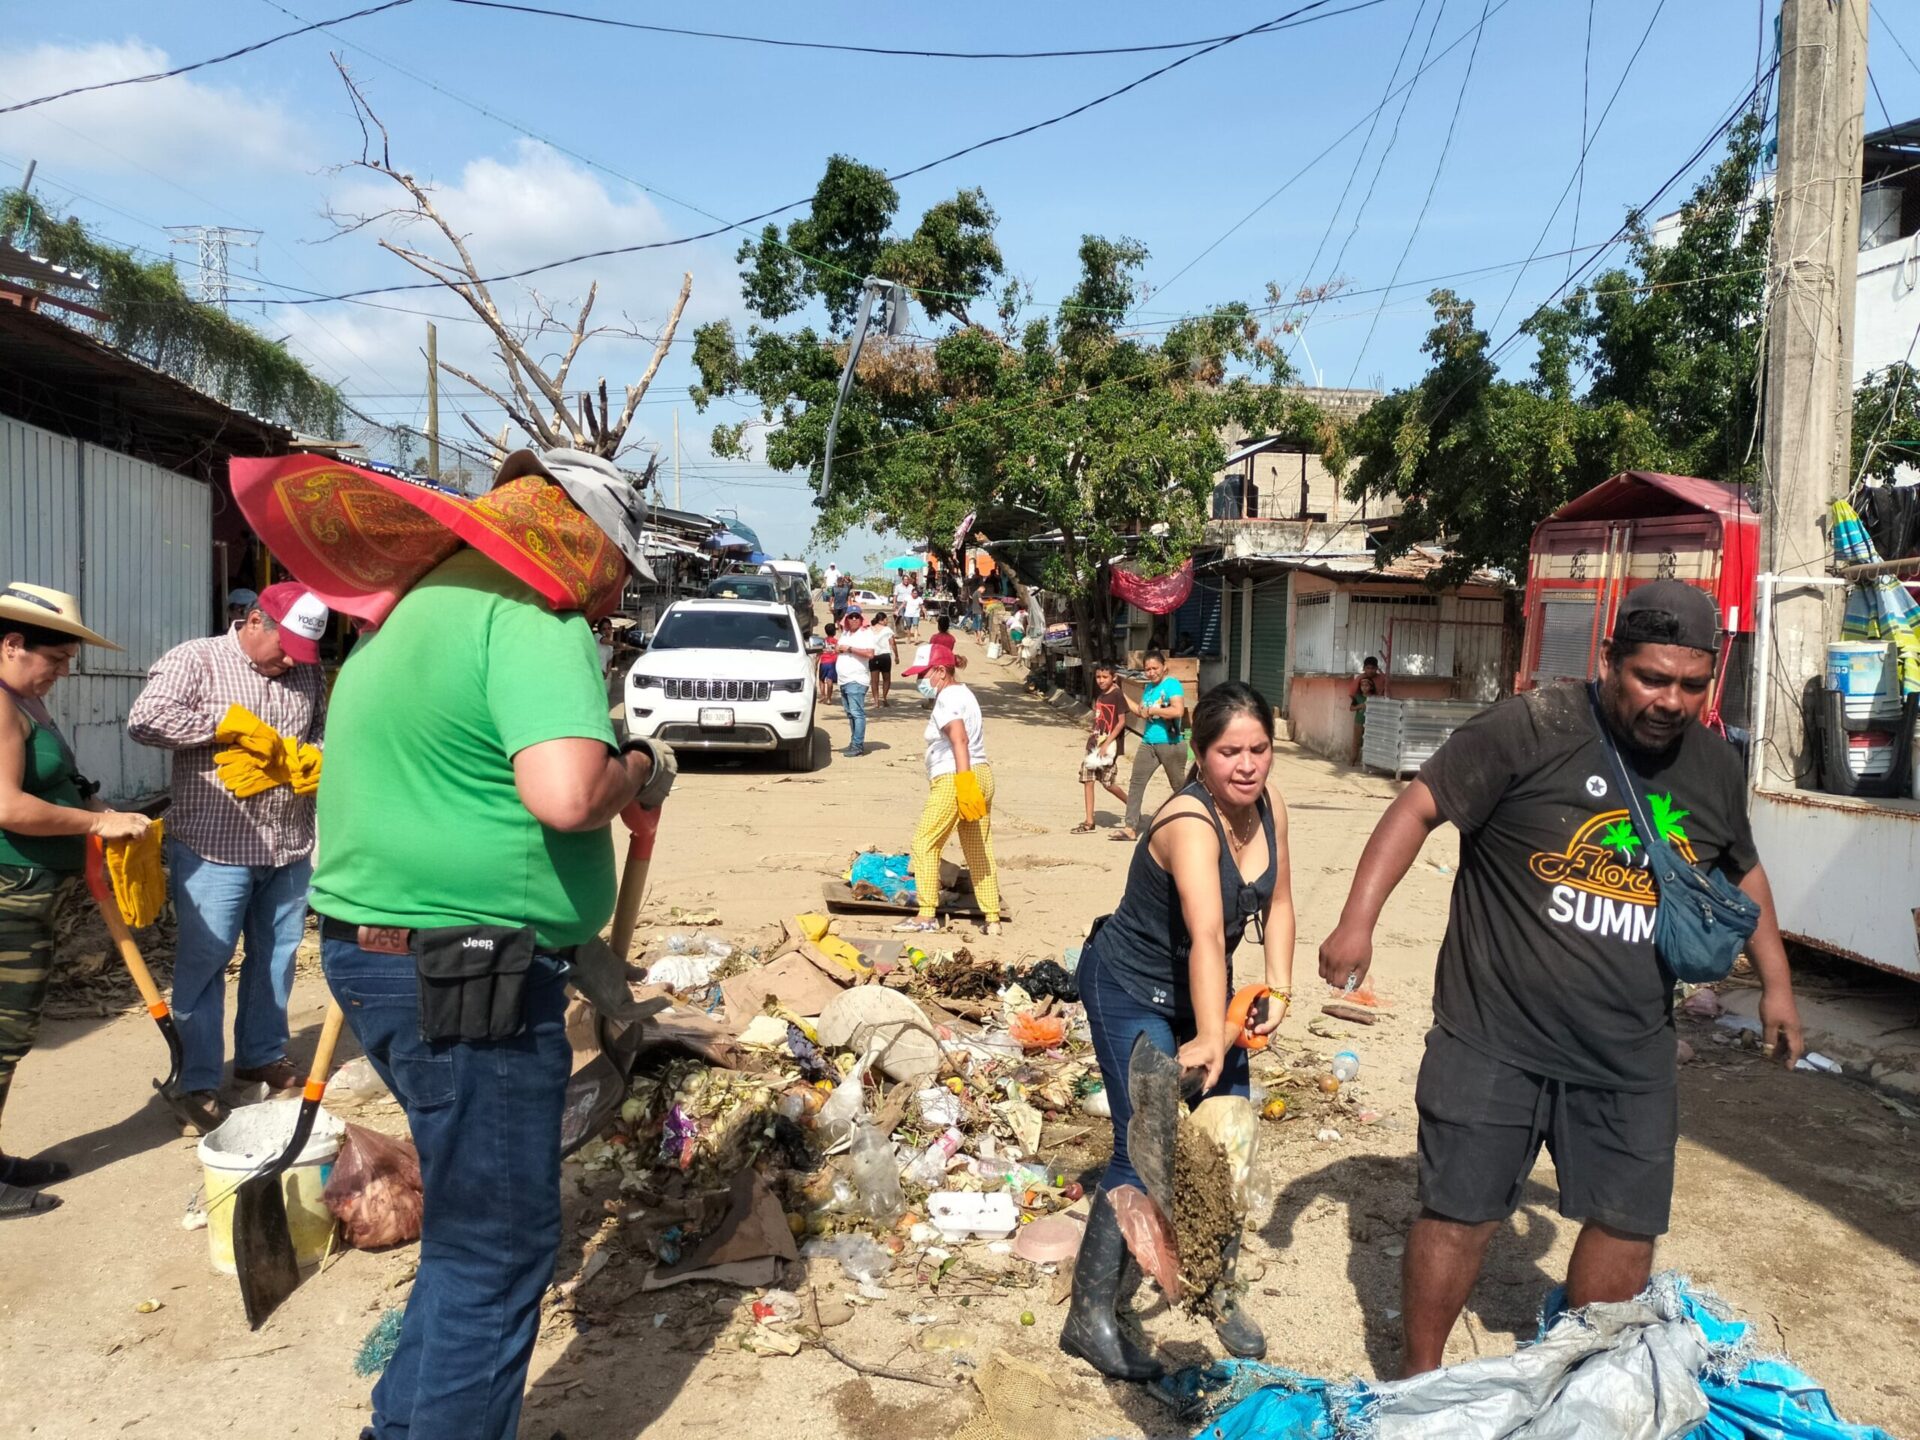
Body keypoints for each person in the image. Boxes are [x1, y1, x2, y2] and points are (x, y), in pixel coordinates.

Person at [1318, 581, 1806, 1378]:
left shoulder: (1713, 765)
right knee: (1461, 1211)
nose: (1671, 701)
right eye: (1652, 678)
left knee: (1627, 1220)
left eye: (1690, 684)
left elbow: (1742, 873)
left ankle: (1579, 1383)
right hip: (1493, 1035)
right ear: (1609, 660)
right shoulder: (1532, 727)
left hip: (1630, 1046)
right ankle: (1416, 1381)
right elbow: (1417, 807)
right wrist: (1357, 922)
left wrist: (1777, 985)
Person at [310, 448, 675, 1440]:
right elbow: (562, 794)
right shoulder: (532, 615)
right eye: (611, 575)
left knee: (469, 1235)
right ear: (583, 544)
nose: (606, 602)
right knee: (500, 1247)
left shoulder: (416, 612)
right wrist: (636, 764)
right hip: (469, 971)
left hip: (379, 956)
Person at [1063, 682, 1295, 1377]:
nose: (1247, 765)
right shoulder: (1190, 823)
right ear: (1199, 754)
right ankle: (1089, 1316)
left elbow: (1279, 904)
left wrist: (1279, 988)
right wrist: (1209, 1037)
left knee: (1226, 1135)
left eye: (1259, 750)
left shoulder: (1270, 807)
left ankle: (1215, 1290)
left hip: (1200, 992)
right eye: (1230, 752)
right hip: (1128, 988)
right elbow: (1206, 939)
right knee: (1149, 1143)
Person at [127, 581, 331, 1133]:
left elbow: (319, 731)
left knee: (277, 955)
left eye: (301, 655)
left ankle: (261, 1053)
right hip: (214, 845)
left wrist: (306, 759)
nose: (291, 662)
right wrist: (222, 729)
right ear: (255, 622)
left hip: (287, 841)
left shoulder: (306, 671)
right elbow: (144, 720)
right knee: (206, 961)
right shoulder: (197, 659)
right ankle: (195, 1081)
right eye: (284, 648)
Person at [0, 584, 152, 1219]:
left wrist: (98, 806)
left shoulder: (25, 700)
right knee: (1, 1034)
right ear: (12, 645)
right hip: (8, 893)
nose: (63, 672)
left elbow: (61, 779)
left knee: (15, 1031)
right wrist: (95, 827)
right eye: (55, 659)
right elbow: (8, 806)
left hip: (36, 892)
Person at [895, 635, 1001, 937]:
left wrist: (963, 780)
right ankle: (991, 917)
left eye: (923, 674)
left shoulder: (947, 698)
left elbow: (959, 738)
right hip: (981, 773)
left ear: (941, 671)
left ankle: (925, 915)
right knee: (978, 849)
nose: (920, 681)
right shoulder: (966, 694)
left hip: (957, 777)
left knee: (924, 844)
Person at [1116, 650, 1187, 841]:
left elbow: (1178, 710)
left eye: (1155, 668)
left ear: (1164, 668)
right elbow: (1142, 712)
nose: (1151, 672)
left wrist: (1155, 709)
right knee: (1136, 783)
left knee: (1180, 786)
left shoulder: (1172, 684)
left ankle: (1194, 820)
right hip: (1148, 742)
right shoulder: (1148, 688)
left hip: (1170, 744)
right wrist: (1121, 695)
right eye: (1147, 669)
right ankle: (1130, 827)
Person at [1073, 662, 1130, 834]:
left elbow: (1121, 722)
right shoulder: (1101, 696)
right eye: (1098, 677)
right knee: (1087, 779)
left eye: (1105, 677)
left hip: (1109, 746)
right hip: (1094, 744)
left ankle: (1132, 806)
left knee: (1107, 783)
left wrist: (1106, 743)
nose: (1101, 680)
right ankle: (1089, 821)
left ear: (1114, 678)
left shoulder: (1117, 695)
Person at [834, 607, 876, 757]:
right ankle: (853, 742)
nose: (853, 619)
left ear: (861, 618)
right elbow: (840, 649)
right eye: (850, 617)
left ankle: (858, 745)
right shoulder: (845, 633)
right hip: (843, 680)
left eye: (856, 617)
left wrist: (849, 649)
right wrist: (838, 649)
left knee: (857, 713)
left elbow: (870, 653)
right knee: (850, 714)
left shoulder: (866, 633)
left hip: (856, 680)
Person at [1350, 655, 1383, 765]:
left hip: (1374, 719)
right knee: (1357, 741)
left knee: (1372, 741)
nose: (1370, 670)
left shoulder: (1381, 679)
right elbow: (1353, 696)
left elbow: (1384, 696)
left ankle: (1370, 762)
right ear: (1364, 668)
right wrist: (1360, 705)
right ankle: (1353, 761)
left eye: (1372, 668)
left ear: (1377, 668)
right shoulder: (1359, 679)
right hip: (1360, 720)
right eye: (1368, 668)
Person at [868, 610, 898, 707]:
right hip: (885, 656)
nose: (887, 622)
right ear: (882, 620)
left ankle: (876, 701)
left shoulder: (869, 630)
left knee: (874, 680)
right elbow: (892, 643)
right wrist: (896, 656)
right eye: (886, 620)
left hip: (873, 655)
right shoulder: (887, 630)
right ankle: (884, 698)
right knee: (886, 679)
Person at [818, 621, 839, 703]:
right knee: (830, 680)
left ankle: (823, 695)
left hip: (823, 662)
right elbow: (838, 652)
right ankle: (829, 698)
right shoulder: (837, 641)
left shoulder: (822, 641)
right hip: (832, 662)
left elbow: (818, 653)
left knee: (821, 679)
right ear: (834, 632)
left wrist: (816, 664)